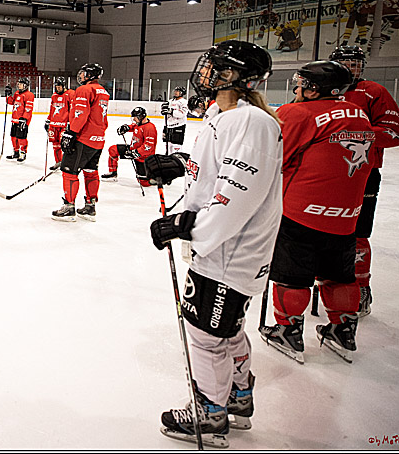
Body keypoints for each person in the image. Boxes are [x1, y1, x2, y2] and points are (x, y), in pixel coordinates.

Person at [143, 39, 282, 447]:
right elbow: (213, 174)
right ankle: (238, 400)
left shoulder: (252, 121)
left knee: (205, 334)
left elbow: (237, 192)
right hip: (221, 247)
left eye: (215, 67)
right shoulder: (225, 116)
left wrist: (190, 226)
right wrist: (178, 164)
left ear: (237, 77)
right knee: (227, 331)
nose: (205, 72)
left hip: (229, 251)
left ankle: (211, 416)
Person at [260, 60, 374, 365]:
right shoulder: (360, 115)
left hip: (302, 211)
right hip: (347, 214)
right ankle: (342, 329)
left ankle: (288, 331)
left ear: (315, 89)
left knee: (293, 276)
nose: (298, 88)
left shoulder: (296, 113)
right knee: (338, 275)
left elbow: (275, 158)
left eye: (302, 83)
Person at [329, 45, 399, 316]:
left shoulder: (374, 91)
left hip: (362, 175)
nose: (352, 67)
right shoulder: (323, 89)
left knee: (358, 233)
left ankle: (361, 286)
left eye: (356, 62)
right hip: (323, 175)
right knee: (321, 230)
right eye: (346, 62)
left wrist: (355, 133)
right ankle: (324, 280)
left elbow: (395, 134)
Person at [52, 63, 108, 221]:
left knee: (69, 172)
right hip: (98, 139)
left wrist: (71, 132)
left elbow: (80, 114)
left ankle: (69, 208)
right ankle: (90, 207)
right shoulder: (103, 91)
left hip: (83, 138)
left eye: (84, 73)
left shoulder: (84, 90)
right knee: (90, 172)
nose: (81, 76)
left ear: (90, 75)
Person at [102, 106, 157, 184]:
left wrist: (136, 153)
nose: (134, 119)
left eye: (135, 117)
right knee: (113, 149)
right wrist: (126, 127)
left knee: (144, 182)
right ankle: (113, 173)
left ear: (141, 117)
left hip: (143, 157)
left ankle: (155, 177)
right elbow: (133, 126)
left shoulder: (150, 128)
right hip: (133, 150)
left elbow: (148, 146)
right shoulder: (139, 124)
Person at [5, 78, 35, 162]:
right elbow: (11, 102)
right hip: (15, 119)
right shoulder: (17, 93)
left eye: (21, 84)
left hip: (22, 120)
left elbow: (28, 108)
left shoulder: (29, 95)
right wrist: (8, 94)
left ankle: (23, 152)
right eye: (18, 84)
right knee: (13, 136)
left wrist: (24, 118)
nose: (19, 85)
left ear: (25, 85)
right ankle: (16, 151)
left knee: (21, 137)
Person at [45, 77, 71, 170]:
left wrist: (70, 122)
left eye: (59, 86)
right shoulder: (54, 96)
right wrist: (48, 120)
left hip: (64, 125)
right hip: (54, 124)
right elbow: (52, 110)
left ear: (64, 86)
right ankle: (58, 162)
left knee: (65, 145)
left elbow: (72, 110)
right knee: (55, 145)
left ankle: (66, 163)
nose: (58, 88)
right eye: (56, 86)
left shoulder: (70, 94)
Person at [161, 86, 189, 153]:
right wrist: (163, 110)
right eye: (175, 91)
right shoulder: (169, 101)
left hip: (178, 126)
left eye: (178, 91)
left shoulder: (184, 102)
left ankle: (176, 160)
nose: (176, 92)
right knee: (168, 146)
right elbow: (165, 112)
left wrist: (171, 111)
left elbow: (182, 114)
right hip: (168, 126)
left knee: (176, 146)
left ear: (182, 93)